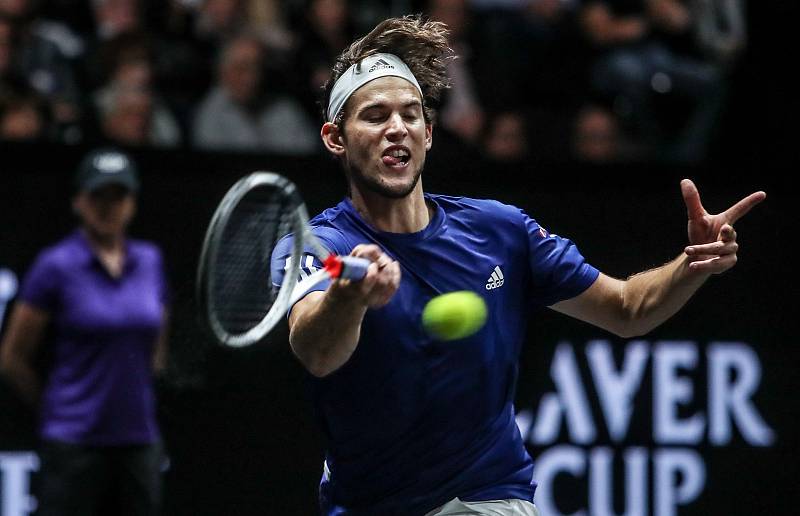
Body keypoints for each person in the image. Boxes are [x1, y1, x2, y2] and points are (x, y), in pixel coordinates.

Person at [270, 15, 765, 516]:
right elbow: (315, 350)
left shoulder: (500, 231)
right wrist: (348, 296)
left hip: (487, 496)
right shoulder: (318, 244)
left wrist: (691, 264)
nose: (397, 128)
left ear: (429, 131)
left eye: (411, 114)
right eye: (375, 116)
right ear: (336, 138)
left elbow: (628, 309)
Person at [0, 148, 169, 516]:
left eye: (118, 195)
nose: (109, 206)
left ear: (133, 202)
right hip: (73, 442)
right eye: (98, 196)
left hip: (138, 439)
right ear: (79, 201)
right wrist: (57, 404)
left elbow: (158, 342)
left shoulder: (150, 260)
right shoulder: (55, 265)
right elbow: (12, 358)